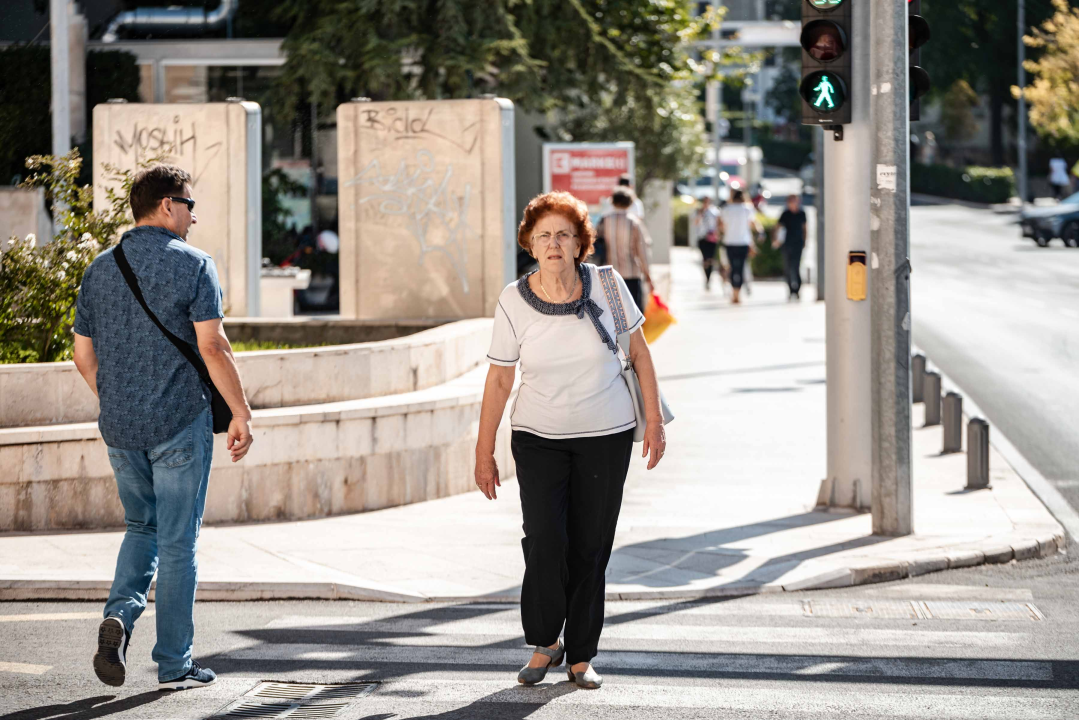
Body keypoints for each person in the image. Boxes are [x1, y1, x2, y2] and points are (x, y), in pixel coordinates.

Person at [474, 191, 667, 690]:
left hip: (606, 435)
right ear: (530, 245)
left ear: (581, 243)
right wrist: (483, 450)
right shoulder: (513, 299)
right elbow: (498, 379)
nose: (554, 243)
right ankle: (545, 642)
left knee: (590, 547)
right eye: (544, 236)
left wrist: (655, 424)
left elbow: (640, 355)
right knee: (544, 539)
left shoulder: (607, 285)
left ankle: (581, 655)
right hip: (537, 437)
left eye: (564, 234)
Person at [72, 165, 254, 692]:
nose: (195, 216)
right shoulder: (194, 265)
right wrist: (241, 412)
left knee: (140, 528)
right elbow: (213, 346)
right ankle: (174, 662)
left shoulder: (99, 269)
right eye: (190, 205)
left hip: (121, 429)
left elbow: (83, 354)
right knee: (177, 543)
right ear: (168, 205)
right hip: (178, 422)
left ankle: (120, 618)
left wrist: (117, 399)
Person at [595, 187, 653, 311]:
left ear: (613, 202)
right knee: (633, 314)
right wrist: (648, 275)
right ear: (630, 203)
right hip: (631, 273)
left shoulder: (604, 221)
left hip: (608, 274)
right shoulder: (634, 223)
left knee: (612, 314)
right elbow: (642, 251)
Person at [718, 188, 761, 305]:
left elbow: (721, 226)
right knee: (740, 268)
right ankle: (738, 294)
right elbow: (752, 224)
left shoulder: (726, 209)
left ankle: (734, 293)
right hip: (743, 242)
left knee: (732, 268)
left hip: (729, 242)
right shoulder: (747, 209)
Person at [775, 194, 808, 300]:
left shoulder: (802, 213)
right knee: (788, 268)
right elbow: (778, 227)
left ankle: (797, 290)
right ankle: (790, 290)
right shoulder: (785, 214)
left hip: (798, 243)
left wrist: (805, 241)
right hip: (787, 244)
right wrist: (776, 240)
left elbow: (805, 228)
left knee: (796, 267)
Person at [693, 196, 721, 289]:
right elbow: (696, 223)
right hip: (702, 238)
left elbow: (718, 223)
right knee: (705, 259)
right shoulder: (698, 211)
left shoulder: (714, 211)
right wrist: (700, 214)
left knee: (710, 259)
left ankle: (709, 277)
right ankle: (706, 278)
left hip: (712, 238)